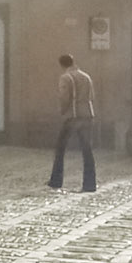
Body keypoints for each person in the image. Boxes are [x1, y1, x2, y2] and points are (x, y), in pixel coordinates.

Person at [48, 52, 97, 191]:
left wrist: (63, 112)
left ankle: (56, 180)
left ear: (62, 65)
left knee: (60, 149)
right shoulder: (86, 76)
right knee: (87, 150)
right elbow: (92, 96)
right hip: (87, 115)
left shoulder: (66, 77)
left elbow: (65, 98)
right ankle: (89, 184)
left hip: (73, 117)